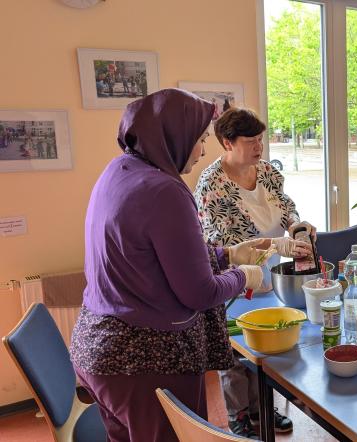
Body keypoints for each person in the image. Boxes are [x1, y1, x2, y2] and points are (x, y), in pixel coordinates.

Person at [70, 89, 269, 442]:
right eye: (200, 139)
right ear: (175, 137)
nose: (203, 150)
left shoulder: (120, 170)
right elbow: (200, 292)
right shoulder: (166, 191)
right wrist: (243, 275)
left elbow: (152, 254)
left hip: (98, 350)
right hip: (144, 359)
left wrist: (228, 254)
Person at [195, 107, 315, 437]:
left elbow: (286, 207)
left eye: (260, 139)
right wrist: (278, 246)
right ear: (227, 143)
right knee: (236, 349)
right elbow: (223, 245)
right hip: (235, 278)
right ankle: (238, 415)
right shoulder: (211, 185)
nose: (258, 147)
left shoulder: (266, 172)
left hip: (271, 277)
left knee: (265, 343)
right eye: (250, 141)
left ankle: (263, 406)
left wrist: (297, 227)